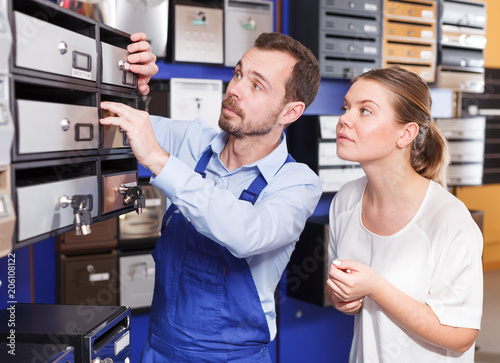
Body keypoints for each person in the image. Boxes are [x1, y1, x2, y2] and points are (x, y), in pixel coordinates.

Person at [102, 32, 322, 361]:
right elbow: (104, 122)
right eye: (238, 74)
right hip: (158, 350)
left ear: (290, 112)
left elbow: (247, 233)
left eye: (256, 85)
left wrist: (161, 160)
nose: (234, 89)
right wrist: (126, 85)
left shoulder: (297, 183)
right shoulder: (191, 139)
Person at [326, 66, 483, 362]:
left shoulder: (448, 219)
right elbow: (343, 292)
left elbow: (461, 336)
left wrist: (376, 287)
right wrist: (343, 297)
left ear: (406, 133)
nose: (344, 119)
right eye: (345, 107)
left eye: (365, 111)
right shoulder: (346, 200)